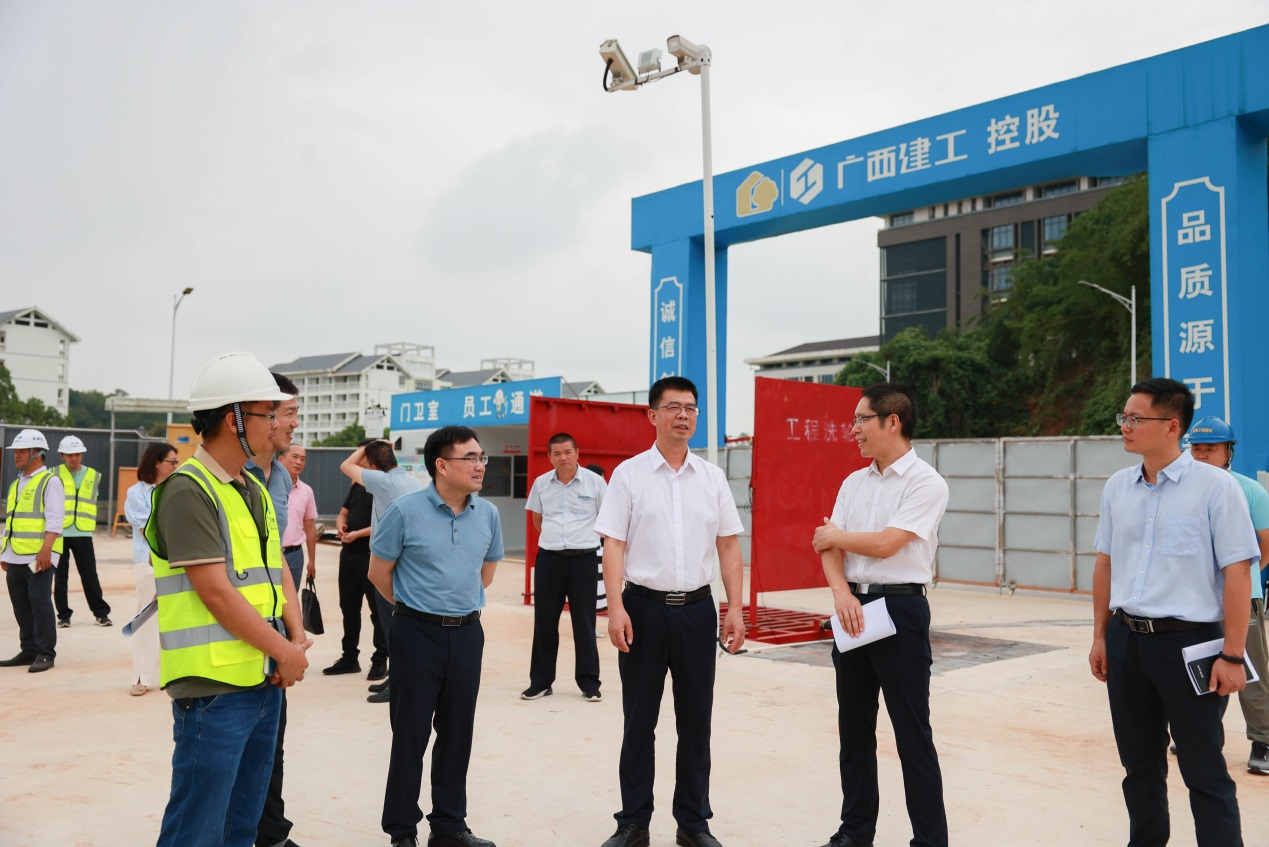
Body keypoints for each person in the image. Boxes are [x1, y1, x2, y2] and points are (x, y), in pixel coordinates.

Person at [148, 351, 312, 847]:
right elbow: (216, 592)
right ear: (232, 418)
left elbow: (275, 568)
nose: (278, 424)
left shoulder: (252, 488)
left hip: (261, 679)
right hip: (214, 691)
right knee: (198, 830)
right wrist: (284, 651)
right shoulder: (187, 490)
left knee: (241, 829)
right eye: (267, 413)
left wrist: (295, 636)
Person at [1089, 378, 1255, 846]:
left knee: (1203, 770)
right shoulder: (1118, 487)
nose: (1125, 426)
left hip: (1191, 644)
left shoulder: (1216, 487)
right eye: (1123, 417)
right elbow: (1105, 564)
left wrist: (1233, 655)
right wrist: (1100, 636)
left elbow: (1238, 573)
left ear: (1172, 426)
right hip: (1126, 642)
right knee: (1139, 767)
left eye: (1135, 418)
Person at [592, 376, 746, 847]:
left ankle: (693, 823)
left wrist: (735, 608)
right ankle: (633, 822)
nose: (684, 415)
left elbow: (728, 546)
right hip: (643, 609)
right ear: (652, 415)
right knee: (639, 720)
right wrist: (615, 607)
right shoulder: (629, 475)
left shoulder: (712, 478)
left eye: (691, 408)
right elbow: (613, 544)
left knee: (696, 720)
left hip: (697, 611)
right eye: (674, 407)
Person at [810, 383, 950, 847]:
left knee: (912, 733)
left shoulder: (926, 482)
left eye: (861, 419)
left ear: (892, 421)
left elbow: (888, 543)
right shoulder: (854, 482)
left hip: (901, 609)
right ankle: (855, 832)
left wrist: (836, 536)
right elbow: (826, 548)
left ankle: (929, 840)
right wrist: (841, 594)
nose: (854, 429)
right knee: (853, 730)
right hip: (853, 608)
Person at [368, 425, 503, 847]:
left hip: (467, 634)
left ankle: (449, 826)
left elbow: (485, 575)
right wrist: (417, 607)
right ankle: (402, 830)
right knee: (410, 734)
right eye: (470, 458)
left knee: (458, 732)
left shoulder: (488, 514)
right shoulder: (404, 511)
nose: (480, 465)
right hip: (416, 634)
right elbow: (379, 574)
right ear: (441, 465)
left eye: (482, 457)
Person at [1185, 416, 1269, 776]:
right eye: (1197, 448)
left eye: (1211, 448)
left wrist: (1240, 581)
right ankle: (1195, 734)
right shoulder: (1181, 489)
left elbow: (1265, 544)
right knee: (1195, 669)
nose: (1202, 455)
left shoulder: (1249, 490)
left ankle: (1263, 740)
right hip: (1192, 598)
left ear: (1228, 452)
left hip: (1241, 599)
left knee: (1251, 671)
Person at [244, 372, 305, 847]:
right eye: (287, 413)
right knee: (227, 755)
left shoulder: (281, 476)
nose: (293, 423)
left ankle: (270, 833)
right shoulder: (225, 475)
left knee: (270, 745)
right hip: (231, 635)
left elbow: (275, 556)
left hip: (271, 628)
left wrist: (294, 632)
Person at [522, 433, 607, 702]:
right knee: (545, 622)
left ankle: (589, 683)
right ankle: (541, 682)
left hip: (584, 560)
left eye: (568, 452)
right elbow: (538, 520)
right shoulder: (541, 483)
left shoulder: (595, 482)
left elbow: (606, 519)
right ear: (550, 457)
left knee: (585, 622)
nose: (563, 458)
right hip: (550, 560)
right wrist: (556, 541)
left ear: (577, 453)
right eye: (557, 453)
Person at [339, 438, 424, 703]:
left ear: (374, 466)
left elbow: (346, 465)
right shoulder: (412, 482)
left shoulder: (382, 481)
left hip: (389, 564)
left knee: (393, 626)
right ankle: (396, 677)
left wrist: (366, 448)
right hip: (405, 562)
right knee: (396, 624)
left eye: (368, 463)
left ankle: (400, 684)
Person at [0, 428, 65, 673]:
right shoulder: (16, 483)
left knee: (40, 603)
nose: (16, 455)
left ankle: (46, 653)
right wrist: (5, 552)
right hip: (15, 555)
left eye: (22, 451)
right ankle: (28, 650)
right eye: (15, 451)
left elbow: (55, 520)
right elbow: (12, 520)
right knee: (21, 605)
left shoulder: (50, 481)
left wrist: (46, 550)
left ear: (37, 453)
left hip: (39, 556)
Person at [324, 441, 387, 680]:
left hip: (371, 555)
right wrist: (341, 525)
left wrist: (358, 534)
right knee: (349, 608)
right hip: (349, 554)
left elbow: (386, 523)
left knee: (377, 611)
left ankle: (380, 659)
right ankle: (349, 657)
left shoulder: (384, 487)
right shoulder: (358, 486)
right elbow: (344, 513)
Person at [124, 441, 177, 696]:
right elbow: (149, 529)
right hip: (148, 564)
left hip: (177, 562)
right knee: (145, 620)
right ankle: (141, 677)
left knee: (177, 620)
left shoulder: (177, 489)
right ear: (157, 463)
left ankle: (175, 675)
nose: (176, 466)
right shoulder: (137, 493)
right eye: (172, 462)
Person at [53, 435, 111, 627]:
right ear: (62, 456)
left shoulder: (93, 475)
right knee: (60, 577)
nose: (74, 458)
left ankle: (101, 614)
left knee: (90, 575)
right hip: (59, 533)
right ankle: (63, 616)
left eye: (77, 454)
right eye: (70, 455)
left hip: (83, 533)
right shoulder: (53, 474)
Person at [282, 445, 318, 590]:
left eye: (303, 459)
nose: (299, 462)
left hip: (294, 556)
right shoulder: (266, 486)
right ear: (281, 459)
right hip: (271, 553)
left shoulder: (306, 491)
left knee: (291, 599)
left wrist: (312, 561)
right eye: (295, 457)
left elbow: (310, 527)